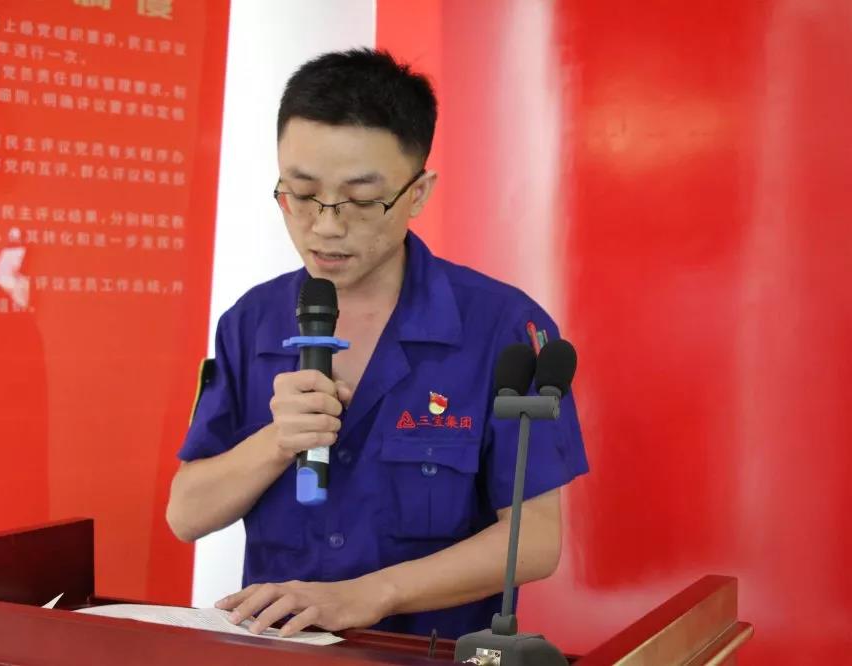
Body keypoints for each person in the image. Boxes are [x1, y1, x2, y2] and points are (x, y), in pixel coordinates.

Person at [166, 48, 588, 640]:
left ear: (418, 193)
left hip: (425, 653)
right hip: (280, 650)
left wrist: (369, 595)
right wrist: (278, 441)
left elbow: (536, 539)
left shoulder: (502, 327)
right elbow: (186, 514)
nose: (326, 226)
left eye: (362, 200)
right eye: (301, 193)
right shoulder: (250, 321)